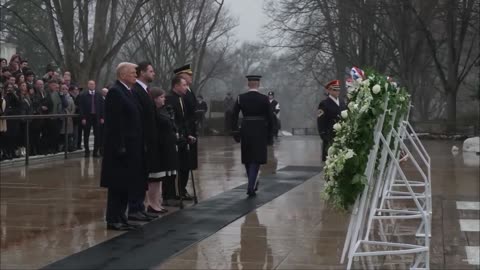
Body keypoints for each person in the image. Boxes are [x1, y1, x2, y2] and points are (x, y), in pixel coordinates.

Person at [100, 62, 144, 231]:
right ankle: (113, 218)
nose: (135, 74)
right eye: (133, 72)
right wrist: (120, 146)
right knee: (117, 185)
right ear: (123, 74)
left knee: (126, 184)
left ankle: (121, 216)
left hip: (131, 146)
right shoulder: (115, 92)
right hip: (120, 148)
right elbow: (115, 123)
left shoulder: (128, 91)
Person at [231, 75, 274, 196]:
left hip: (246, 129)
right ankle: (251, 185)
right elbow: (271, 117)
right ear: (258, 84)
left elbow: (234, 115)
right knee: (256, 158)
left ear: (248, 84)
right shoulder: (265, 98)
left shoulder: (241, 98)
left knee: (248, 157)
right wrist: (270, 134)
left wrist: (235, 131)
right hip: (260, 129)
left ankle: (252, 181)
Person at [128, 61, 158, 222]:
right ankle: (134, 207)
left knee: (143, 175)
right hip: (141, 139)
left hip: (147, 139)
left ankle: (140, 207)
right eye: (151, 71)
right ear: (142, 73)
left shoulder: (145, 90)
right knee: (137, 175)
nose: (153, 73)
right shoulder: (137, 91)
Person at [165, 76, 197, 202]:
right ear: (176, 86)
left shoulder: (182, 99)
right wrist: (178, 133)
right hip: (175, 137)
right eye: (183, 85)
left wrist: (188, 134)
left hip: (184, 136)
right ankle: (170, 194)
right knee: (173, 168)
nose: (186, 87)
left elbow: (184, 120)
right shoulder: (169, 99)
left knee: (185, 165)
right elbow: (172, 119)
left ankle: (182, 190)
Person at [146, 87, 178, 214]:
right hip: (158, 147)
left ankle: (157, 202)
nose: (164, 99)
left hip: (167, 146)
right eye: (161, 97)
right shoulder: (154, 112)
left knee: (160, 179)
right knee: (154, 179)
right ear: (154, 99)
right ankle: (152, 204)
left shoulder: (163, 110)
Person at [173, 64, 197, 200]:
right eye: (188, 75)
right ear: (181, 76)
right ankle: (180, 189)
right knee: (184, 163)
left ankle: (183, 188)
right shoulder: (183, 93)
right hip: (186, 130)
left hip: (191, 130)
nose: (191, 77)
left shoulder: (189, 90)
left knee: (188, 163)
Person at [317, 79, 346, 162]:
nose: (337, 91)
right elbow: (320, 121)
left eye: (338, 89)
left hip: (341, 136)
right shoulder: (324, 104)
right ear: (329, 90)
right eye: (334, 89)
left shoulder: (342, 102)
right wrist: (324, 136)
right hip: (329, 136)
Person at [79, 80, 104, 157]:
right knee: (86, 135)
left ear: (95, 85)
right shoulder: (83, 95)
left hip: (96, 117)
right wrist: (83, 117)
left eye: (93, 84)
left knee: (97, 135)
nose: (92, 85)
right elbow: (81, 107)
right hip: (87, 117)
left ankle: (95, 152)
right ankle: (87, 151)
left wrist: (102, 117)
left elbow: (102, 107)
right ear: (88, 85)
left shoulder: (99, 95)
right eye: (90, 84)